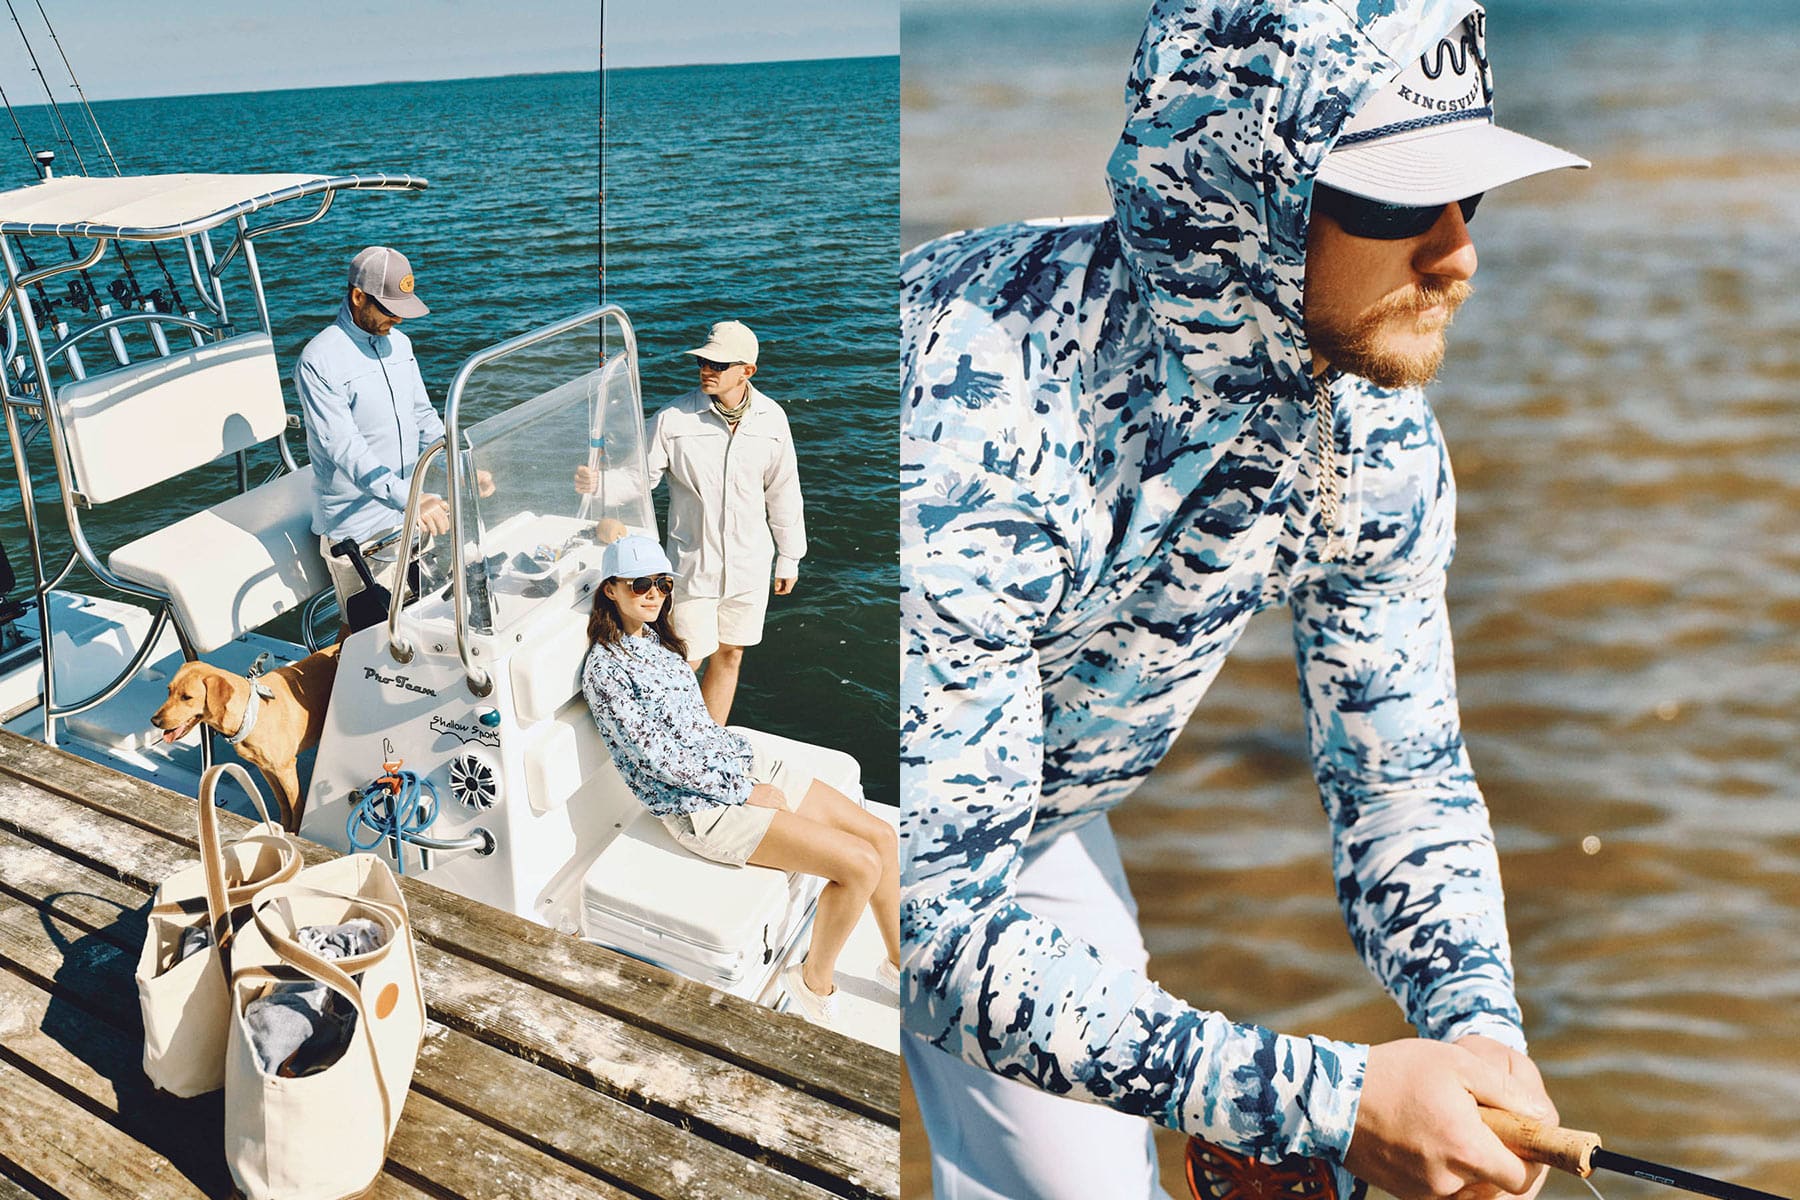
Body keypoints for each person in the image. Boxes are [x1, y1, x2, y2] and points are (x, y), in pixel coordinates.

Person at [900, 3, 1587, 1199]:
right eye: (1392, 199)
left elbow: (1399, 776)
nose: (1458, 253)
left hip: (1033, 820)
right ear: (1244, 192)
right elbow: (935, 926)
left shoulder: (1369, 428)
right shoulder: (973, 425)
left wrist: (1480, 1032)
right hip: (875, 808)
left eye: (1467, 193)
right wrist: (1326, 1099)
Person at [580, 534, 895, 1026]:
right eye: (640, 584)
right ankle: (813, 981)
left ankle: (899, 966)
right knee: (858, 864)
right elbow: (660, 760)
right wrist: (747, 793)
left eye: (662, 584)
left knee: (881, 835)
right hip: (700, 808)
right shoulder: (606, 671)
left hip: (734, 763)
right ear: (610, 591)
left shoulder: (657, 645)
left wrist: (745, 772)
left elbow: (699, 730)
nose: (654, 594)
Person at [581, 320, 806, 726]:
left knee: (731, 653)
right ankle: (669, 741)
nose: (707, 369)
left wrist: (789, 557)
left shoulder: (773, 421)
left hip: (751, 568)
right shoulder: (672, 419)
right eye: (703, 361)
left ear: (747, 372)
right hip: (691, 567)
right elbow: (638, 477)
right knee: (684, 659)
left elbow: (784, 492)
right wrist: (598, 484)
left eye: (718, 364)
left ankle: (710, 739)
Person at [296, 246, 469, 622]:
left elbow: (424, 417)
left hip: (411, 514)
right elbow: (345, 449)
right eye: (391, 309)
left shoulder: (399, 345)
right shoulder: (319, 360)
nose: (399, 320)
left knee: (425, 623)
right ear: (358, 297)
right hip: (358, 532)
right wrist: (411, 499)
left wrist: (461, 467)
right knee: (365, 637)